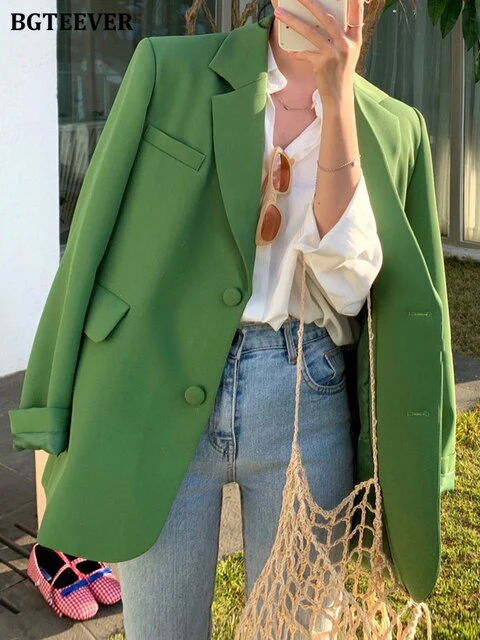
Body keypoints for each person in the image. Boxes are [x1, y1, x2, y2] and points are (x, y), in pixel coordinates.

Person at [8, 0, 456, 637]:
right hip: (159, 382)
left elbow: (350, 287)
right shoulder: (168, 70)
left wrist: (337, 101)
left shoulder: (394, 127)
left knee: (294, 627)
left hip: (305, 399)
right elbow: (90, 240)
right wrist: (49, 404)